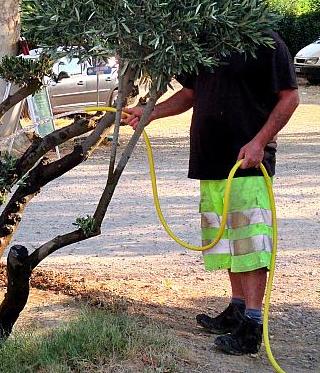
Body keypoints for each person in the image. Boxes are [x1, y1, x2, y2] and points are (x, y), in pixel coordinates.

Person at [124, 31, 299, 355]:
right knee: (227, 239)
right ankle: (236, 307)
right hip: (211, 160)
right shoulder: (204, 41)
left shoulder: (268, 43)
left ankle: (252, 324)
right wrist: (149, 113)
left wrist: (259, 142)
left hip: (248, 164)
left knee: (250, 243)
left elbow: (290, 98)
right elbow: (189, 94)